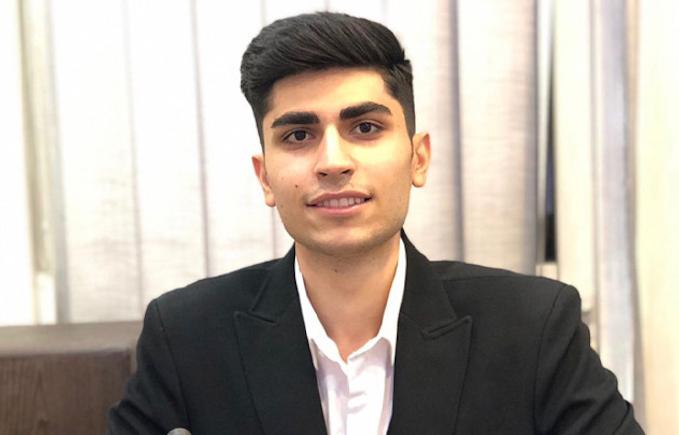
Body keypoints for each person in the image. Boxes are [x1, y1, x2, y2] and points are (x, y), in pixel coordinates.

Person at [107, 12, 644, 435]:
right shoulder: (186, 336)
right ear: (265, 176)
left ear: (418, 158)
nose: (333, 162)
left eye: (364, 127)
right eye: (298, 135)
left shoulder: (532, 327)